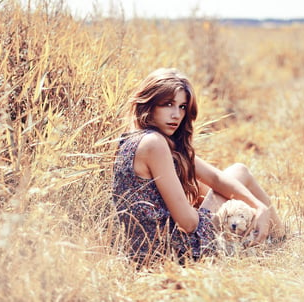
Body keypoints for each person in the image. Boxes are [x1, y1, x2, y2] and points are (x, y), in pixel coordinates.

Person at [112, 68, 284, 265]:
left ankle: (273, 236)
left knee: (232, 175)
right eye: (168, 105)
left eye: (182, 107)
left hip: (148, 251)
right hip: (173, 252)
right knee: (238, 174)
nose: (176, 115)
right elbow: (188, 222)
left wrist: (259, 206)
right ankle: (279, 239)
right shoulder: (154, 143)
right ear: (149, 104)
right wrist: (221, 216)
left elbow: (216, 178)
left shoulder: (133, 139)